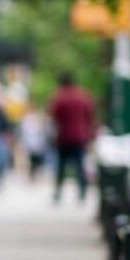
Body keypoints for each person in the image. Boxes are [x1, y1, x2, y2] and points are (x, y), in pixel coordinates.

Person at [48, 73, 96, 203]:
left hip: (64, 136)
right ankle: (82, 192)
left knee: (61, 167)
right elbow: (90, 115)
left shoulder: (60, 97)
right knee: (80, 166)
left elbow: (53, 115)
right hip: (80, 136)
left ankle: (58, 192)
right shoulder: (83, 95)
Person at [18, 108, 50, 182]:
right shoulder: (26, 120)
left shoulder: (37, 120)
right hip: (31, 144)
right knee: (32, 160)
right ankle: (32, 174)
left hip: (37, 144)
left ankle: (35, 174)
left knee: (37, 159)